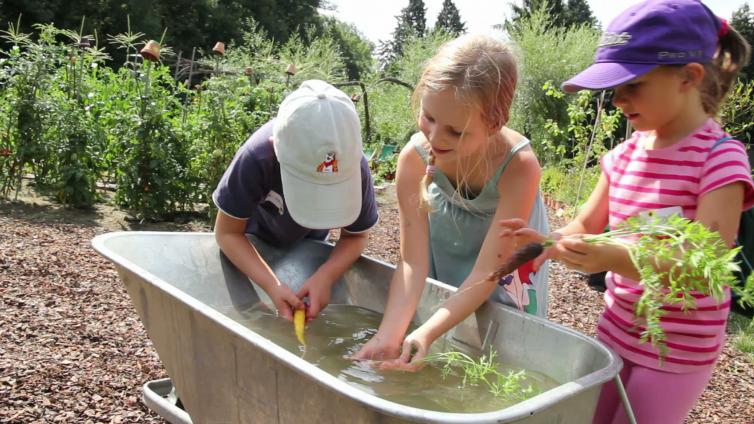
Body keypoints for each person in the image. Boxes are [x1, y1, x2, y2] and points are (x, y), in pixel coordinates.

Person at [500, 1, 754, 423]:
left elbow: (705, 266)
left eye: (631, 85)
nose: (617, 99)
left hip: (677, 350)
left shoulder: (719, 159)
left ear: (688, 78)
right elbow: (586, 224)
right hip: (615, 330)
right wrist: (547, 243)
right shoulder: (623, 156)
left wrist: (615, 258)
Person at [352, 34, 550, 366]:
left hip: (501, 272)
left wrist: (424, 334)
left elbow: (489, 273)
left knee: (499, 359)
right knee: (441, 340)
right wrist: (390, 334)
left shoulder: (519, 167)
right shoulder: (414, 160)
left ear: (494, 123)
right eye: (428, 117)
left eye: (455, 132)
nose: (434, 138)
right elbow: (413, 263)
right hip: (450, 252)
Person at [213, 79, 378, 322]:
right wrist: (271, 285)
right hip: (249, 242)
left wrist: (325, 276)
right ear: (276, 148)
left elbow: (356, 236)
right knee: (251, 317)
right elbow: (228, 233)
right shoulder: (258, 156)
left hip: (309, 244)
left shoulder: (356, 169)